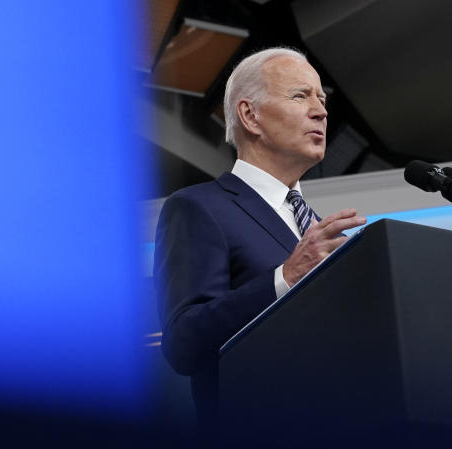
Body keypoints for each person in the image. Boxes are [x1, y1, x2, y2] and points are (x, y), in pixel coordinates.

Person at [153, 47, 367, 421]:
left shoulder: (316, 232)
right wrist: (285, 277)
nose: (321, 111)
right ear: (250, 116)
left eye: (321, 98)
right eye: (300, 96)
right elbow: (183, 343)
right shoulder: (198, 208)